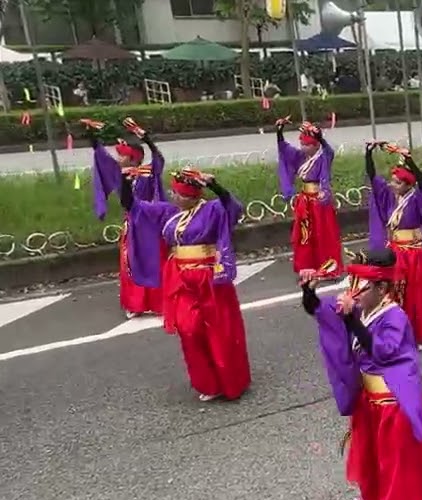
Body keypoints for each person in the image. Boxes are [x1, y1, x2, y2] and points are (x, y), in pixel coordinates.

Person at [300, 249, 422, 500]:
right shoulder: (363, 307)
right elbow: (322, 313)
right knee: (370, 461)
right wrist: (309, 291)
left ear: (382, 289)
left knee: (402, 475)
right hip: (371, 405)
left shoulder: (394, 316)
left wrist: (351, 317)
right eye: (352, 282)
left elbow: (381, 351)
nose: (352, 291)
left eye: (361, 285)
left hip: (396, 406)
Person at [118, 168, 251, 402]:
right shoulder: (168, 212)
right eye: (173, 192)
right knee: (189, 328)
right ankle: (208, 382)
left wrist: (215, 186)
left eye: (179, 194)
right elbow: (134, 207)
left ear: (192, 196)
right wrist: (125, 183)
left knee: (218, 330)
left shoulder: (212, 210)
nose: (174, 196)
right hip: (180, 278)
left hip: (210, 279)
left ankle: (229, 381)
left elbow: (233, 207)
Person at [365, 142, 422, 350]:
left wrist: (409, 159)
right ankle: (395, 333)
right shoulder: (389, 197)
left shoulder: (418, 198)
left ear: (408, 185)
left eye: (398, 183)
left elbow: (421, 180)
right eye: (393, 181)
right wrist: (368, 154)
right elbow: (373, 178)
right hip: (395, 252)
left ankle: (419, 335)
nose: (393, 185)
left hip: (414, 253)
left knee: (416, 295)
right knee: (393, 293)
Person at [85, 118, 166, 319]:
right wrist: (92, 135)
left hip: (150, 224)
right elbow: (101, 157)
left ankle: (158, 302)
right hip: (131, 223)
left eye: (121, 155)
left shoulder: (148, 173)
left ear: (133, 158)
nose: (118, 158)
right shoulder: (119, 173)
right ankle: (135, 303)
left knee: (154, 261)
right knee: (129, 262)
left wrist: (145, 137)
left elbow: (158, 157)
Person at [275, 117, 344, 279]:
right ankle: (307, 267)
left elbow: (328, 150)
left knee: (323, 235)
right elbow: (284, 149)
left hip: (320, 202)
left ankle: (328, 268)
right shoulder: (300, 157)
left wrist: (318, 135)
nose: (304, 148)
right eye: (302, 144)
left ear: (316, 145)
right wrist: (279, 131)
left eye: (307, 145)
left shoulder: (323, 157)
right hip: (305, 202)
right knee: (304, 236)